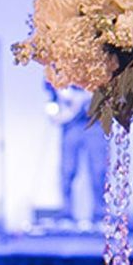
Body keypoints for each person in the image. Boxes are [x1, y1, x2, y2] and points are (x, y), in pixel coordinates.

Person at [48, 83, 108, 224]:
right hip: (71, 123)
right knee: (67, 169)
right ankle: (66, 210)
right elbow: (50, 82)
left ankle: (100, 212)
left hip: (94, 122)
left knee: (99, 169)